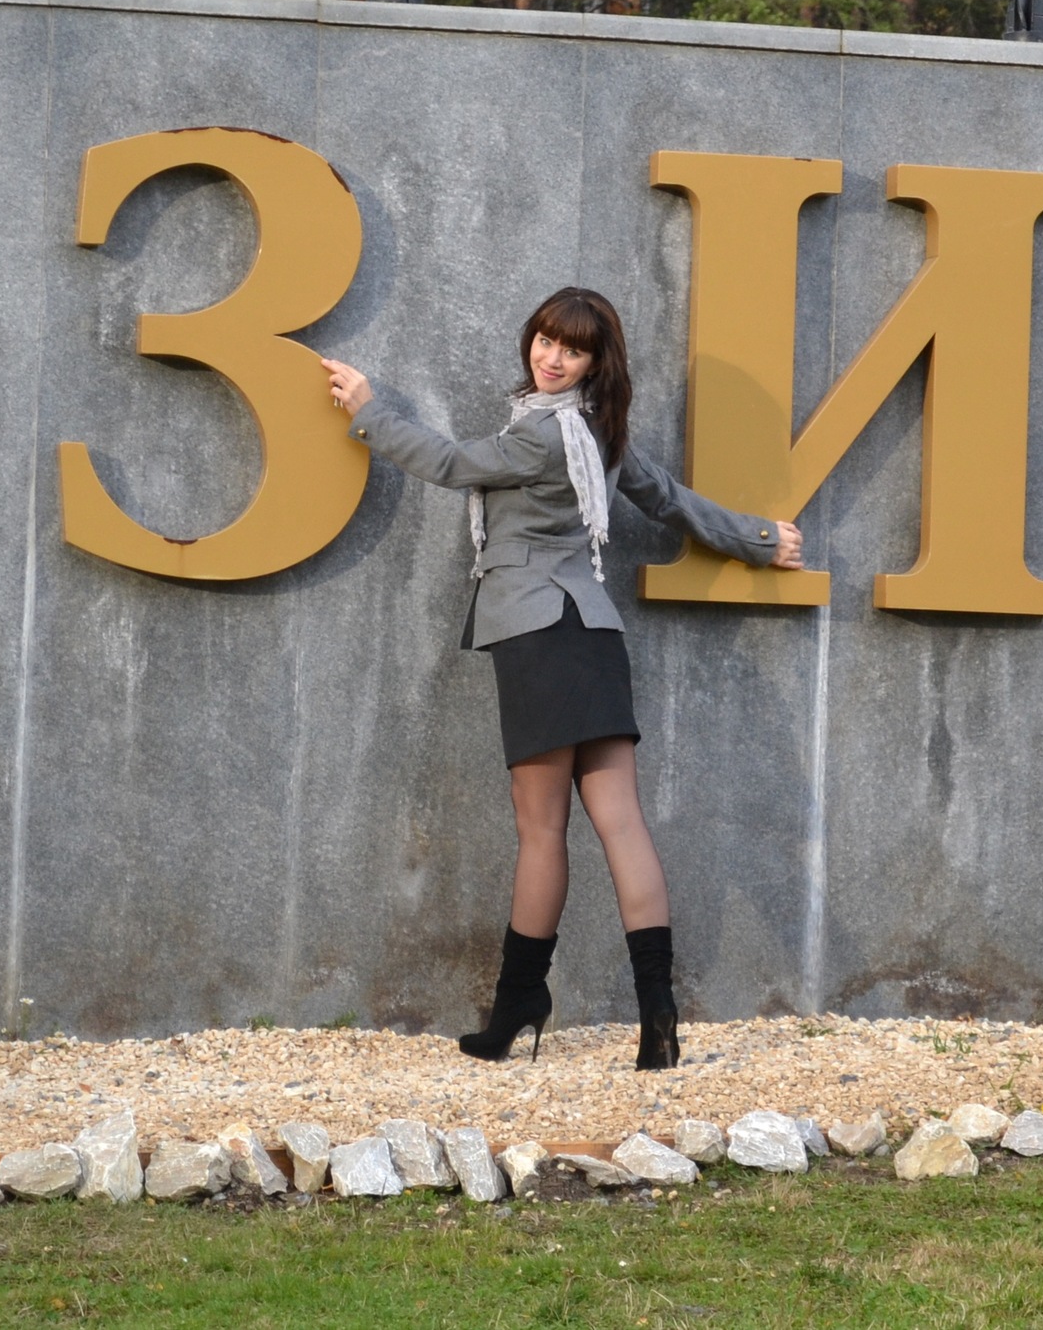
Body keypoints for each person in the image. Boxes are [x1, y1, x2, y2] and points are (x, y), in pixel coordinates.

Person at [320, 287, 805, 1071]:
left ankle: (519, 1001)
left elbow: (450, 463)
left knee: (543, 830)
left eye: (571, 349)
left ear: (594, 362)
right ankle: (658, 1015)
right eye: (545, 339)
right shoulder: (599, 432)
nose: (551, 357)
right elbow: (667, 499)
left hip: (539, 636)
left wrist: (369, 408)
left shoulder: (544, 434)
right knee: (622, 823)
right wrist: (757, 538)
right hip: (594, 636)